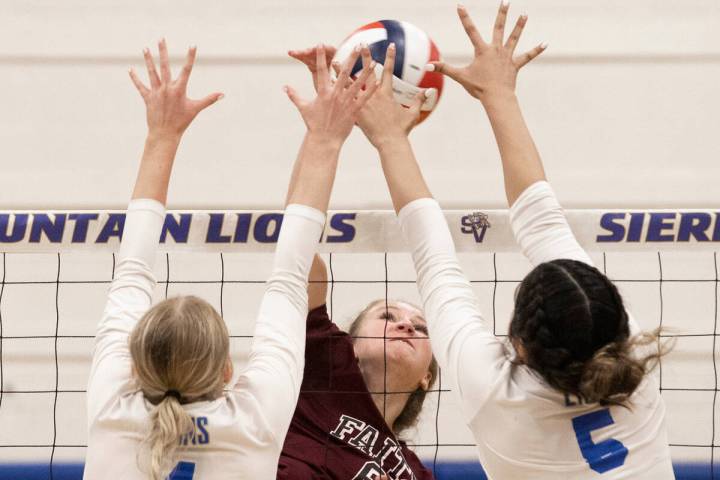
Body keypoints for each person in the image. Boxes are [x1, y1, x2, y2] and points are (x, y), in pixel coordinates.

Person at [370, 4, 674, 479]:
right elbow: (527, 228)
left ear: (519, 346)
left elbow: (528, 227)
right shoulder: (629, 359)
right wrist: (496, 97)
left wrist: (395, 134)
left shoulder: (502, 393)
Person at [84, 41, 377, 479]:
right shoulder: (254, 423)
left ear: (133, 362)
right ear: (226, 370)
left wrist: (161, 134)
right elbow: (290, 275)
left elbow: (132, 270)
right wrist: (326, 137)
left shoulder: (110, 409)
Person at [277, 45, 437, 480]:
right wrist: (322, 134)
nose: (407, 326)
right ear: (348, 341)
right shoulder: (323, 363)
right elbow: (296, 250)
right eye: (389, 316)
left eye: (420, 328)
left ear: (427, 376)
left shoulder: (416, 473)